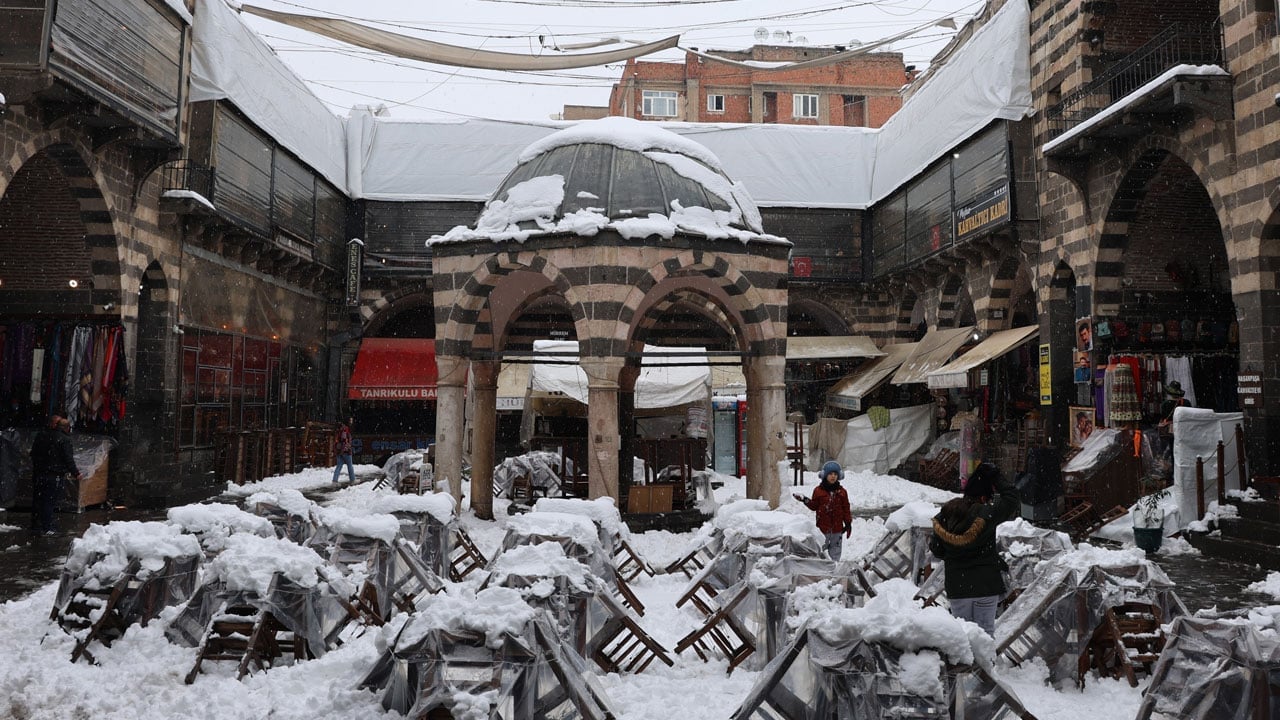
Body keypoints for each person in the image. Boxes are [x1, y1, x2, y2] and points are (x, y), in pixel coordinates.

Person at [928, 462, 1018, 636]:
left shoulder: (945, 515)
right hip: (986, 585)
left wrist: (955, 553)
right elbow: (1012, 497)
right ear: (984, 498)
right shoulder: (987, 514)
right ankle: (985, 664)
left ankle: (964, 664)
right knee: (985, 634)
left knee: (962, 634)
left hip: (958, 587)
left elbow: (937, 550)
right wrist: (995, 476)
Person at [30, 413, 81, 536]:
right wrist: (76, 473)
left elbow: (34, 454)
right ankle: (47, 527)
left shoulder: (43, 435)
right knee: (49, 501)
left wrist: (39, 467)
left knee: (39, 500)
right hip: (54, 474)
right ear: (67, 428)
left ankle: (37, 525)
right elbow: (68, 458)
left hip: (41, 473)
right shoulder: (64, 439)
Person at [793, 460, 852, 562]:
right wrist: (805, 500)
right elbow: (814, 506)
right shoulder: (818, 491)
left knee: (835, 551)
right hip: (822, 529)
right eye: (830, 474)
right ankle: (823, 568)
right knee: (822, 551)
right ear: (824, 475)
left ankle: (834, 568)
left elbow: (846, 508)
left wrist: (848, 523)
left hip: (837, 529)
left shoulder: (842, 492)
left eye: (835, 474)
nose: (833, 476)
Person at [332, 417, 355, 484]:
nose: (351, 422)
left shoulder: (338, 429)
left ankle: (334, 480)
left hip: (339, 450)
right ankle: (352, 479)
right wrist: (346, 448)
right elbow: (344, 440)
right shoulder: (345, 429)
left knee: (339, 466)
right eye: (350, 420)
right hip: (345, 450)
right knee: (350, 466)